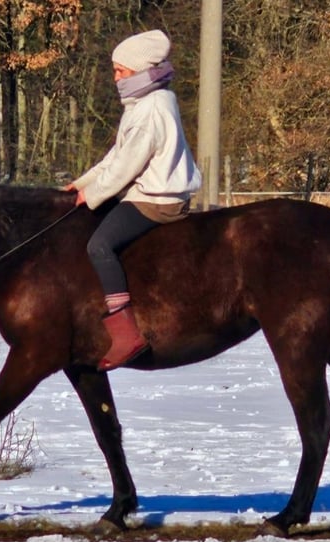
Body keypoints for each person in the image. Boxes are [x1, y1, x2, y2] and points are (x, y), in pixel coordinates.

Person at [64, 29, 201, 371]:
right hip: (150, 193)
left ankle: (125, 331)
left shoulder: (151, 110)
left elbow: (126, 167)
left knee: (99, 246)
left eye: (120, 71)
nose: (115, 78)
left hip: (157, 200)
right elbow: (115, 156)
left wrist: (92, 196)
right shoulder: (145, 103)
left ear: (140, 71)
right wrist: (81, 185)